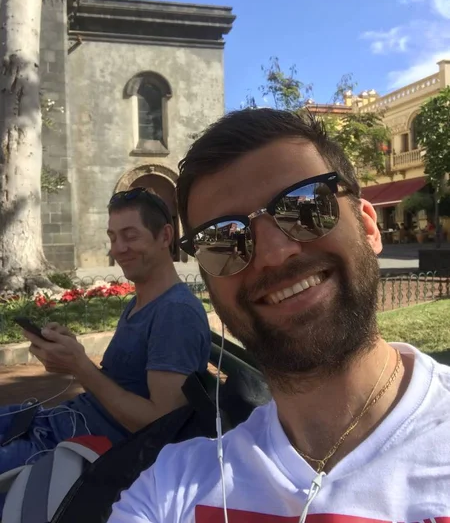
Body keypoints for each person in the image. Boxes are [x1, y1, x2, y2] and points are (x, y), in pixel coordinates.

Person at [109, 109, 450, 522]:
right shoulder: (172, 486)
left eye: (304, 207)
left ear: (369, 228)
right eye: (223, 239)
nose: (273, 254)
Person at [0, 189, 211, 477]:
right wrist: (72, 352)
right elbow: (123, 382)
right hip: (58, 423)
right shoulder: (142, 302)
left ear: (165, 236)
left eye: (130, 235)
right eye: (112, 237)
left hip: (79, 450)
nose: (118, 248)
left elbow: (161, 424)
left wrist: (80, 367)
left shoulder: (175, 313)